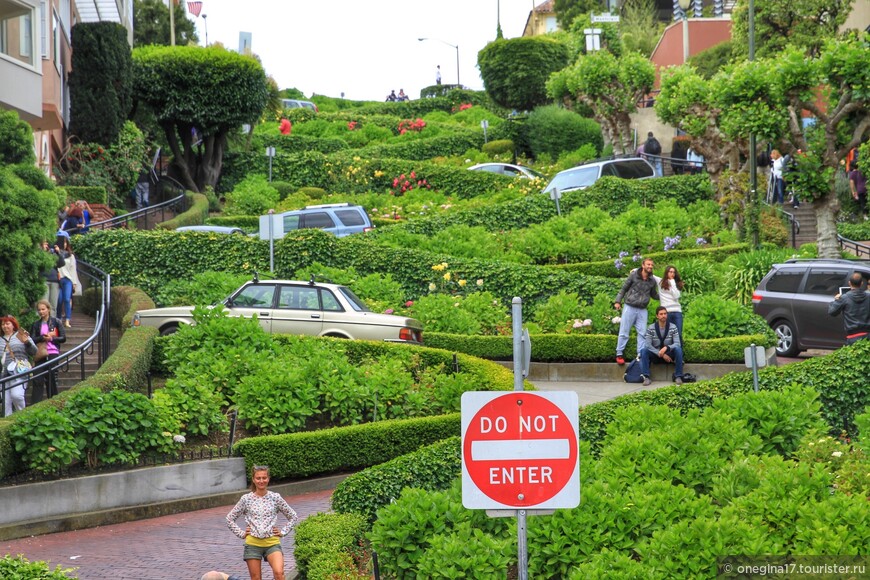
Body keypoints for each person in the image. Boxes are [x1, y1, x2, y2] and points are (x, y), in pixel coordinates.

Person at [227, 465, 298, 580]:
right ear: (254, 480)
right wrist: (241, 533)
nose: (261, 481)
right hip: (252, 544)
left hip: (272, 542)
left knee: (279, 573)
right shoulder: (246, 499)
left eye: (264, 478)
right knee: (256, 578)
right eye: (258, 478)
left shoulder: (275, 497)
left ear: (268, 478)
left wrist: (283, 532)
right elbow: (230, 518)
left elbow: (293, 516)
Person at [614, 257, 659, 365]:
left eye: (652, 265)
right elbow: (624, 289)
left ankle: (640, 355)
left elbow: (653, 294)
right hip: (630, 306)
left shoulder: (652, 281)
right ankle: (619, 353)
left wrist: (665, 295)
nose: (650, 267)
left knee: (643, 333)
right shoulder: (633, 275)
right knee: (624, 331)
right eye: (648, 264)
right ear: (643, 265)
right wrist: (617, 301)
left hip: (643, 309)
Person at [29, 300, 66, 404]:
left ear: (48, 309)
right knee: (37, 379)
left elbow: (63, 338)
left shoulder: (56, 322)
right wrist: (42, 337)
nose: (41, 312)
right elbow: (32, 339)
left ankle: (53, 402)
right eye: (39, 310)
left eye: (43, 309)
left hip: (52, 352)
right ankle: (35, 405)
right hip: (40, 353)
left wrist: (52, 339)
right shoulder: (36, 324)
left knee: (52, 378)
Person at [1, 315, 37, 416]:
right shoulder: (0, 340)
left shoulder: (21, 335)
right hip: (4, 374)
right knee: (5, 402)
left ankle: (23, 416)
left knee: (17, 396)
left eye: (7, 324)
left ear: (13, 325)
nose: (5, 326)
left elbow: (34, 351)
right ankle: (8, 423)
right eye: (3, 324)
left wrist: (27, 342)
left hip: (19, 370)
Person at [640, 306, 685, 386]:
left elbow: (677, 343)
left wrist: (666, 348)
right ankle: (646, 377)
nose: (663, 316)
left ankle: (678, 376)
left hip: (669, 355)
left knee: (678, 349)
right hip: (656, 355)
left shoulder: (673, 327)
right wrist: (661, 354)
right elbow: (648, 345)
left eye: (665, 314)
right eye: (661, 314)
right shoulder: (651, 328)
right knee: (644, 351)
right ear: (657, 316)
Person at [827, 272, 870, 345]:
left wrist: (836, 300)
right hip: (868, 335)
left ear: (849, 283)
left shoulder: (844, 298)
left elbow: (832, 312)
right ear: (862, 283)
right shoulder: (868, 296)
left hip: (852, 337)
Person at [55, 237, 82, 328]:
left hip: (67, 279)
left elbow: (73, 269)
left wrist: (74, 283)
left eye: (66, 243)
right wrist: (58, 252)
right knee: (59, 300)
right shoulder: (55, 254)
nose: (64, 244)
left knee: (67, 299)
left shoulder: (70, 255)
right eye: (63, 242)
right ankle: (58, 319)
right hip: (58, 279)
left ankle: (67, 319)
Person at [656, 265, 684, 344]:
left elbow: (676, 296)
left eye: (674, 272)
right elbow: (650, 274)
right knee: (667, 335)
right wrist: (635, 270)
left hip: (677, 312)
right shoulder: (660, 282)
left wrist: (672, 283)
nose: (672, 274)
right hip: (666, 312)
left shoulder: (676, 284)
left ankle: (679, 355)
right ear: (666, 272)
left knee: (678, 334)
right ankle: (668, 355)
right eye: (670, 272)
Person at [849, 154, 867, 219]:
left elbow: (851, 184)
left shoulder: (852, 174)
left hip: (860, 190)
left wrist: (853, 192)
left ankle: (865, 216)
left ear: (852, 166)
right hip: (867, 188)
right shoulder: (862, 171)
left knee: (862, 203)